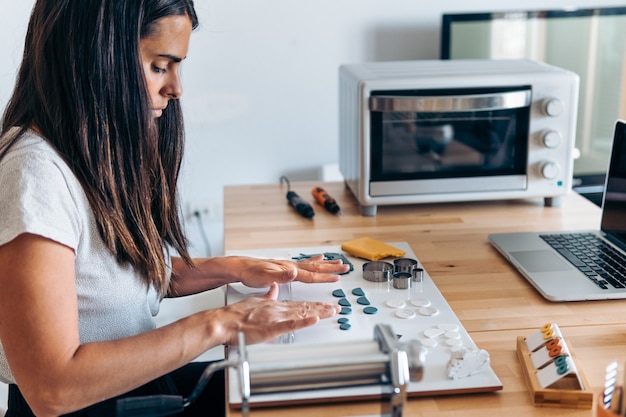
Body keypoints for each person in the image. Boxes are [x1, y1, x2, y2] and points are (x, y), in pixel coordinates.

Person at [0, 1, 348, 416]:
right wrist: (222, 323)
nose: (176, 88)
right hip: (88, 404)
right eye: (159, 66)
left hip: (132, 390)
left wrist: (231, 267)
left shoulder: (88, 152)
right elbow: (52, 388)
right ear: (95, 59)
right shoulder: (34, 177)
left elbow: (109, 282)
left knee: (303, 386)